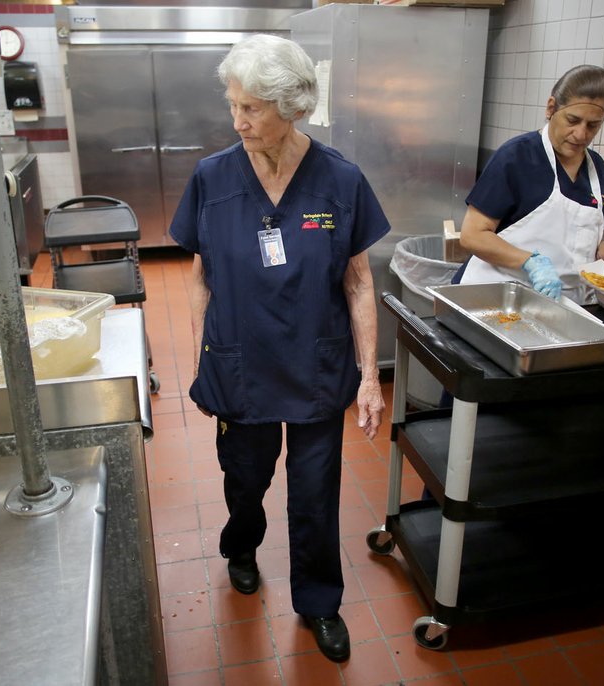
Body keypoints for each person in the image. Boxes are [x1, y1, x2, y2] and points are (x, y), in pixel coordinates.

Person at [169, 34, 389, 663]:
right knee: (245, 479)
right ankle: (241, 542)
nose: (237, 121)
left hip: (316, 367)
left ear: (292, 107)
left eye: (253, 109)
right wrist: (199, 358)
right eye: (234, 105)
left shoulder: (340, 180)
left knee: (316, 495)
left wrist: (369, 378)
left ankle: (319, 602)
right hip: (239, 363)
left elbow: (359, 281)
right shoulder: (214, 177)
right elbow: (198, 277)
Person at [456, 64, 604, 304]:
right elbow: (472, 236)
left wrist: (601, 250)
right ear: (550, 108)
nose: (581, 134)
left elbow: (569, 237)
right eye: (573, 120)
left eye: (593, 125)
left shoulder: (600, 172)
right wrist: (530, 262)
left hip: (566, 305)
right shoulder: (516, 158)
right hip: (496, 298)